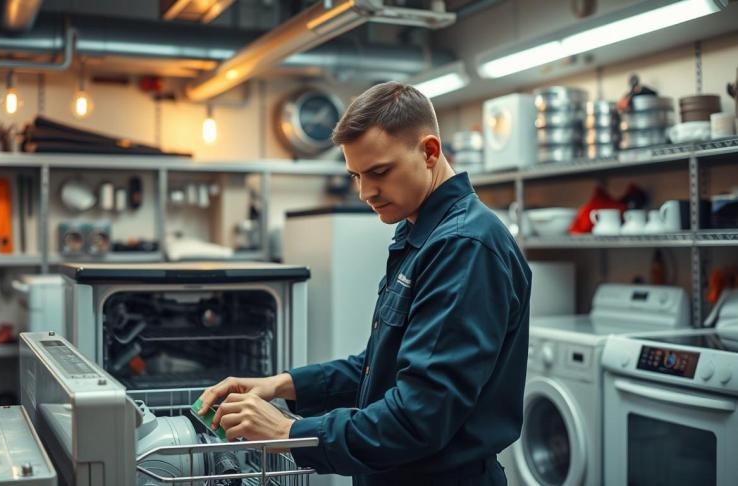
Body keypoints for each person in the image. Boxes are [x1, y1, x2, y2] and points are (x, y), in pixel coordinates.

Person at [197, 81, 531, 486]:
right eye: (356, 175)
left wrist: (287, 433)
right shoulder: (420, 233)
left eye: (379, 172)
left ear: (429, 152)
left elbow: (417, 417)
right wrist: (281, 385)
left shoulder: (464, 246)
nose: (365, 192)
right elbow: (377, 368)